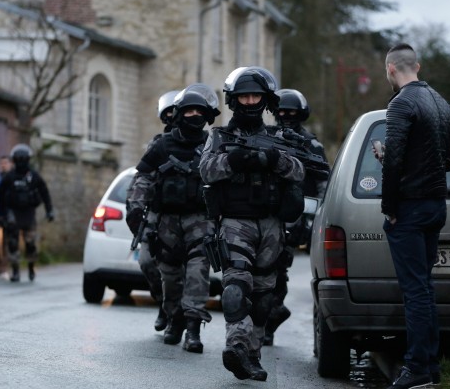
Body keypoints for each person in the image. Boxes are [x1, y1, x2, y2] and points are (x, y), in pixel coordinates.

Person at [199, 66, 305, 381]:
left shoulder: (280, 137)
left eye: (255, 95)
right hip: (234, 221)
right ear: (233, 100)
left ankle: (252, 355)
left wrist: (276, 159)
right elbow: (205, 171)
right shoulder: (219, 136)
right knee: (235, 288)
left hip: (272, 224)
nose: (249, 101)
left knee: (263, 297)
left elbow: (301, 172)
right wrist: (235, 160)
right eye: (243, 96)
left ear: (265, 99)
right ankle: (236, 346)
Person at [380, 44, 450, 389]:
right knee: (424, 287)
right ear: (418, 66)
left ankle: (418, 368)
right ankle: (430, 365)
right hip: (436, 205)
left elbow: (395, 160)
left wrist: (390, 208)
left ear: (391, 69)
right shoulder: (441, 103)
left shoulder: (401, 104)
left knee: (415, 290)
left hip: (409, 208)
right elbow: (448, 161)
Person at [127, 83, 220, 353]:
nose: (194, 116)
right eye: (189, 111)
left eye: (199, 111)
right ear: (179, 114)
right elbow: (143, 177)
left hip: (200, 220)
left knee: (198, 273)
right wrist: (135, 207)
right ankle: (173, 317)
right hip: (166, 221)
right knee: (169, 275)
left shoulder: (213, 144)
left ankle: (192, 328)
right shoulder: (162, 145)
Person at [263, 88, 330, 346]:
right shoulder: (265, 137)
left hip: (295, 219)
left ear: (301, 114)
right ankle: (267, 315)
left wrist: (314, 222)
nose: (286, 116)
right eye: (280, 112)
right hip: (264, 213)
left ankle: (270, 318)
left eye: (291, 112)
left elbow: (324, 185)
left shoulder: (311, 146)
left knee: (278, 270)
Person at [126, 89, 180, 332]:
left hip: (185, 214)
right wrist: (134, 206)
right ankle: (163, 303)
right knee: (148, 262)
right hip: (156, 212)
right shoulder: (157, 144)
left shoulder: (200, 142)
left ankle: (181, 316)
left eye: (176, 111)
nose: (173, 116)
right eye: (169, 112)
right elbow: (141, 176)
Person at [0, 144, 54, 282]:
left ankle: (30, 267)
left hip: (29, 214)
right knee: (13, 243)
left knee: (30, 244)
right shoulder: (10, 177)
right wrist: (2, 214)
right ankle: (15, 270)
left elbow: (44, 192)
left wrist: (49, 210)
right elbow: (1, 195)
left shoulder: (33, 176)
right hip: (13, 214)